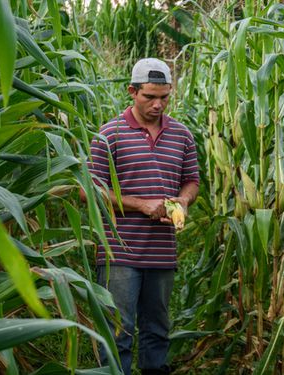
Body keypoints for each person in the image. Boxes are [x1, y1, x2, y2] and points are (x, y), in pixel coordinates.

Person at [83, 58, 199, 375]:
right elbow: (89, 191)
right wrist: (141, 205)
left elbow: (191, 180)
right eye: (149, 96)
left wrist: (184, 202)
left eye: (164, 96)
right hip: (119, 252)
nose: (158, 104)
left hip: (162, 252)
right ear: (132, 91)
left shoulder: (182, 135)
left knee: (157, 332)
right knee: (118, 331)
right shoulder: (109, 134)